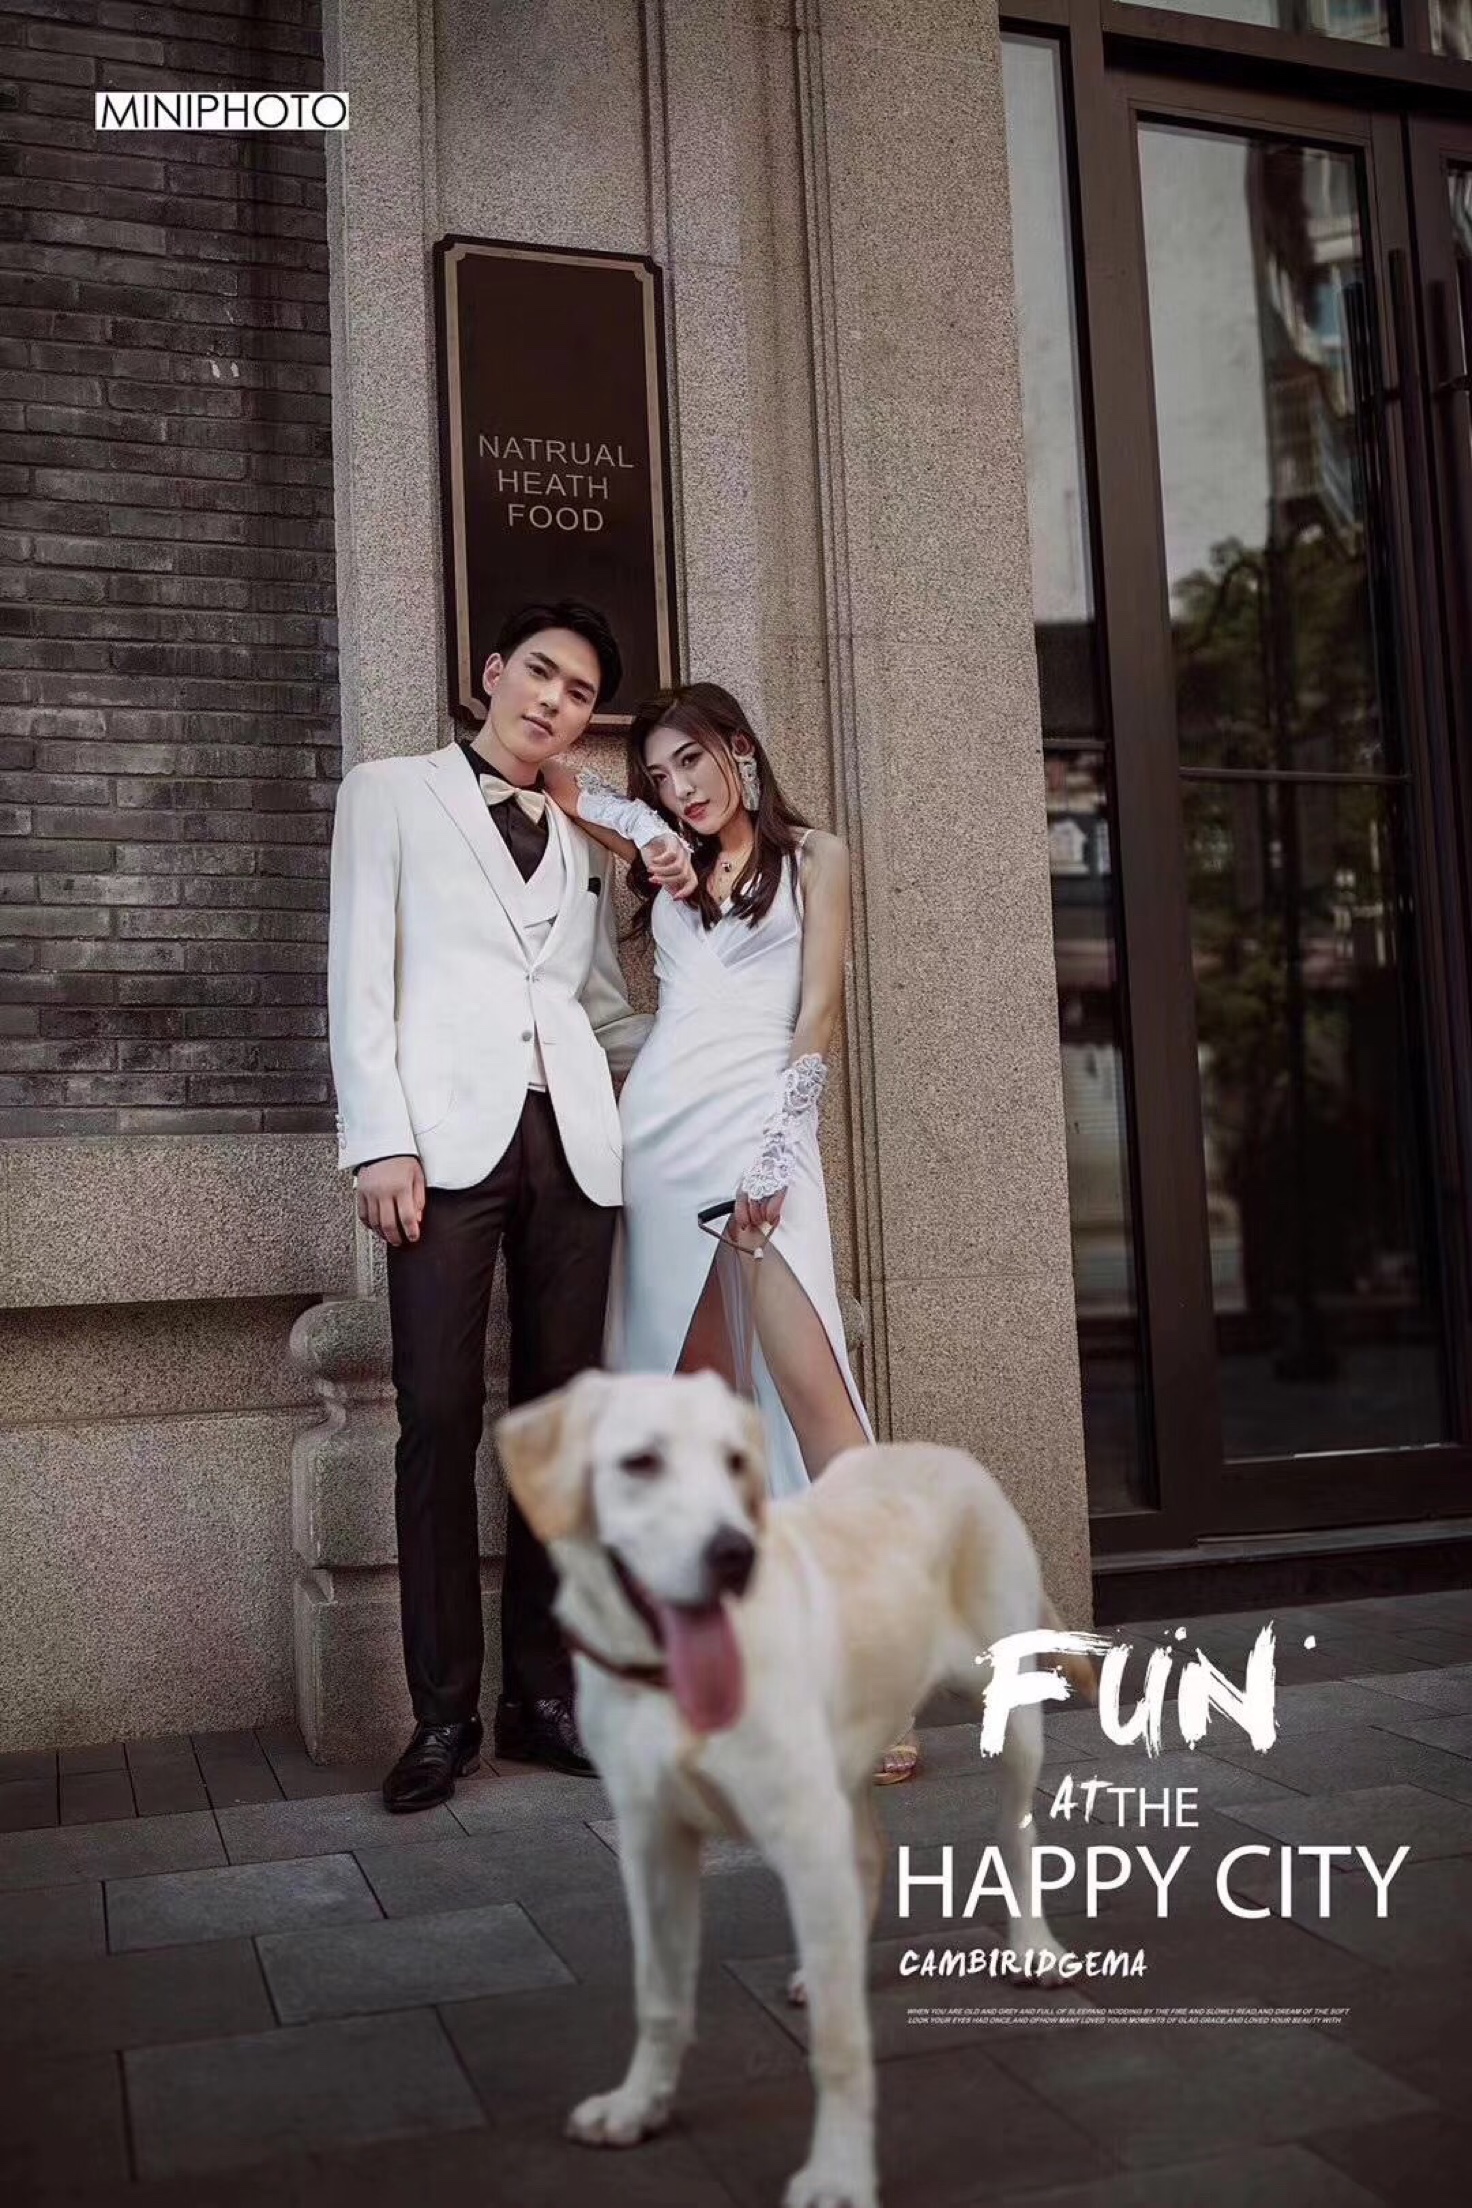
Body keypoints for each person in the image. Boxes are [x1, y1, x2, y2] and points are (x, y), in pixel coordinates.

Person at [328, 602, 694, 1812]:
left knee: (558, 1425)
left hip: (577, 1150)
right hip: (440, 1149)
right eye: (539, 673)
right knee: (436, 1413)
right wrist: (379, 1143)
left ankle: (541, 1700)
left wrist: (709, 1060)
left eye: (579, 692)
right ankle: (443, 1716)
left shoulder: (585, 835)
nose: (553, 700)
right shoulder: (390, 794)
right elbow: (358, 975)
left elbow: (596, 1004)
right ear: (492, 674)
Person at [546, 682, 921, 1783]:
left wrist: (777, 1151)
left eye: (692, 762)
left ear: (739, 750)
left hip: (764, 1133)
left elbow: (818, 1013)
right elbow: (559, 780)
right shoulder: (662, 852)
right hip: (661, 1142)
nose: (680, 788)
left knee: (817, 1401)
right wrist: (642, 826)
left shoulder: (815, 858)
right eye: (659, 774)